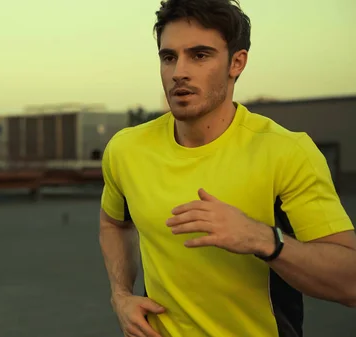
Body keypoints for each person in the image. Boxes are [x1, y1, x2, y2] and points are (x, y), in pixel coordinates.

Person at [98, 0, 356, 336]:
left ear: (237, 62)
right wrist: (121, 295)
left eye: (200, 55)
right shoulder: (126, 149)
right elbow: (113, 223)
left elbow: (350, 282)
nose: (179, 72)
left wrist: (262, 239)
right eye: (169, 57)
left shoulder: (286, 152)